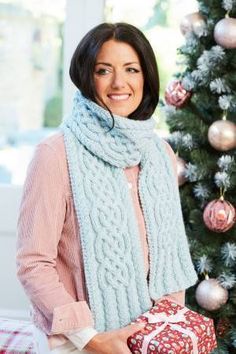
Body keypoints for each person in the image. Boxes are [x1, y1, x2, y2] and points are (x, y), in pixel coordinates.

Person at [16, 22, 198, 354]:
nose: (119, 83)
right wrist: (92, 339)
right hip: (77, 341)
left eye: (131, 69)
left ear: (146, 78)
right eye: (104, 70)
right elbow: (33, 262)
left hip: (151, 335)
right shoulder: (55, 154)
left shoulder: (161, 154)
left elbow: (166, 253)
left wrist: (166, 325)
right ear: (87, 76)